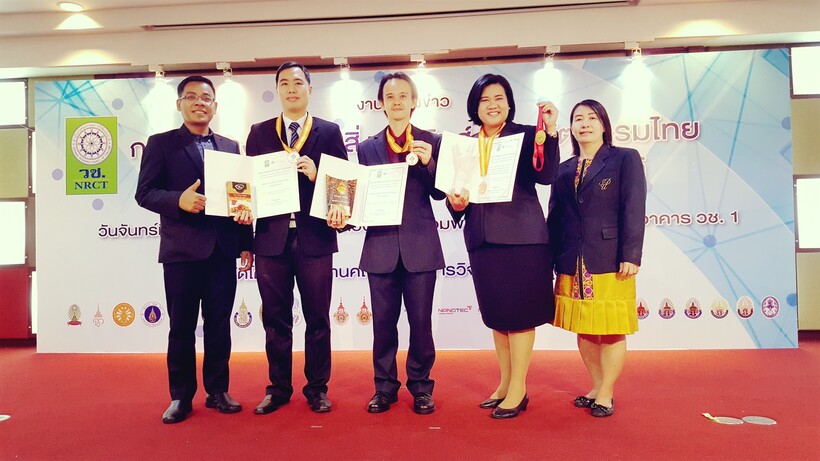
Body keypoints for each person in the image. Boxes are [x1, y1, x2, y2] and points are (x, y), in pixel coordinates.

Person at [135, 75, 254, 424]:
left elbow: (240, 198)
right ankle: (180, 396)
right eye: (191, 97)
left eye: (206, 98)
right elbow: (145, 193)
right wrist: (179, 200)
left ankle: (218, 391)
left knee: (219, 325)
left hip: (222, 250)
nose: (199, 102)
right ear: (179, 104)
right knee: (181, 327)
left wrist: (246, 244)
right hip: (181, 253)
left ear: (215, 106)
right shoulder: (161, 144)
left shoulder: (230, 147)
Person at [446, 74, 559, 419]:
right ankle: (506, 383)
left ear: (509, 104)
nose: (492, 105)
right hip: (482, 240)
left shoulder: (526, 136)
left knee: (521, 316)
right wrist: (456, 203)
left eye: (499, 98)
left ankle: (519, 389)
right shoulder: (465, 145)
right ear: (475, 107)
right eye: (485, 99)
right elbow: (456, 194)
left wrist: (550, 131)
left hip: (522, 239)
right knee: (498, 316)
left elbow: (546, 175)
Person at [246, 62, 348, 414]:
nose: (292, 88)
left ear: (309, 89)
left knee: (318, 318)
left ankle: (317, 388)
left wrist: (319, 175)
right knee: (275, 319)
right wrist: (245, 237)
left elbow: (342, 188)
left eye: (298, 83)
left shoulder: (329, 132)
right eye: (285, 83)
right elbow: (247, 188)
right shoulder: (259, 132)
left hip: (314, 239)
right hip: (271, 240)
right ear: (277, 90)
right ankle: (278, 388)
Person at [547, 99, 646, 418]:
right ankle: (596, 386)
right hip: (572, 260)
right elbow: (555, 217)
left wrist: (631, 254)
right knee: (586, 327)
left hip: (610, 259)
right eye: (578, 118)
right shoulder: (563, 168)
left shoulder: (625, 159)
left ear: (604, 125)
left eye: (592, 118)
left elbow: (634, 208)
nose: (585, 123)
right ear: (571, 127)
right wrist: (550, 258)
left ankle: (607, 393)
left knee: (612, 328)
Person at [357, 72, 445, 415]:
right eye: (390, 96)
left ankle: (421, 387)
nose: (397, 102)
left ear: (414, 101)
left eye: (403, 96)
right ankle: (384, 388)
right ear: (381, 103)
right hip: (380, 247)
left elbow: (440, 192)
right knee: (382, 324)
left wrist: (429, 163)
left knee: (421, 323)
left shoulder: (430, 141)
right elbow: (360, 197)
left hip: (420, 246)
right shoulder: (366, 148)